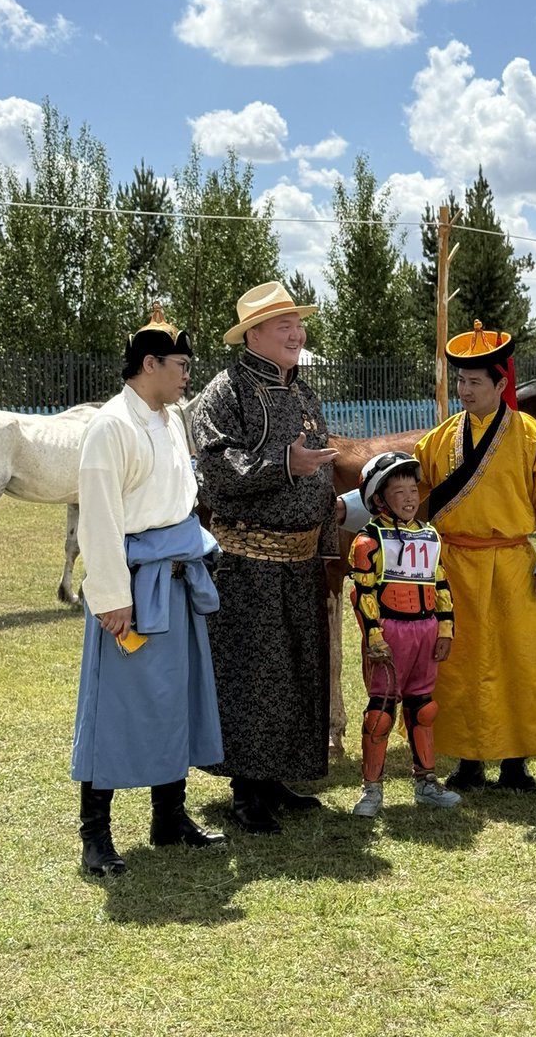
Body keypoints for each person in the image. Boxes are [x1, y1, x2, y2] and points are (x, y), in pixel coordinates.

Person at [71, 305, 226, 877]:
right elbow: (100, 521)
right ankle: (95, 836)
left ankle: (169, 817)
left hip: (177, 576)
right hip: (134, 586)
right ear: (150, 363)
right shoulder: (111, 426)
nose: (188, 375)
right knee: (116, 708)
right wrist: (112, 597)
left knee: (176, 697)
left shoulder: (172, 417)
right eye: (180, 365)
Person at [412, 321, 536, 793]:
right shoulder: (440, 439)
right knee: (460, 664)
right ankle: (467, 759)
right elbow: (412, 495)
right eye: (461, 382)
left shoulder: (529, 437)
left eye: (475, 382)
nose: (466, 391)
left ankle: (515, 759)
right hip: (455, 567)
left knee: (519, 661)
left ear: (500, 383)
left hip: (513, 564)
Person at [191, 282, 339, 834]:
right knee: (252, 676)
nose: (297, 334)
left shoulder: (304, 393)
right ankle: (247, 792)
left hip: (300, 563)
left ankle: (276, 775)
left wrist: (326, 549)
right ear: (253, 334)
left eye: (298, 325)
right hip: (247, 563)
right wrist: (284, 465)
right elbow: (216, 468)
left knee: (297, 671)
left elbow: (321, 474)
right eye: (284, 326)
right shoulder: (224, 392)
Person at [348, 451, 461, 818]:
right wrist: (374, 637)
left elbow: (441, 584)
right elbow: (363, 594)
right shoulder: (368, 542)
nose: (410, 498)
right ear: (378, 499)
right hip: (390, 633)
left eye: (413, 489)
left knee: (423, 708)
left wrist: (445, 629)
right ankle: (371, 789)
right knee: (381, 712)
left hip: (425, 631)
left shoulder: (430, 536)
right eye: (399, 492)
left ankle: (426, 782)